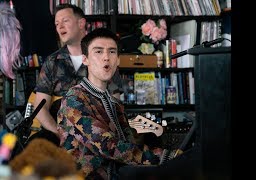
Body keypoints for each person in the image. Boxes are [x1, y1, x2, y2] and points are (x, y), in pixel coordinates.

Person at [57, 28, 161, 180]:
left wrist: (163, 155)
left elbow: (128, 145)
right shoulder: (74, 99)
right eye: (98, 52)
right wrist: (161, 157)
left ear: (118, 60)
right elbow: (106, 145)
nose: (106, 57)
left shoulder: (115, 103)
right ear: (85, 59)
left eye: (112, 52)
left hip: (119, 172)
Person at [33, 4, 122, 146]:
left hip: (95, 137)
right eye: (57, 23)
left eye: (65, 21)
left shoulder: (104, 59)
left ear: (81, 23)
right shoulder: (51, 62)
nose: (60, 26)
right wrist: (59, 133)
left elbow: (115, 104)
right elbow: (40, 107)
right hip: (57, 136)